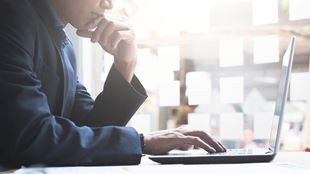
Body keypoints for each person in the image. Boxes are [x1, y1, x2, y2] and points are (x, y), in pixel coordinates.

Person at [0, 0, 225, 167]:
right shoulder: (11, 17)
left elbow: (92, 128)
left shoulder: (62, 43)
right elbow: (30, 138)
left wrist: (125, 64)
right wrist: (143, 142)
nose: (108, 4)